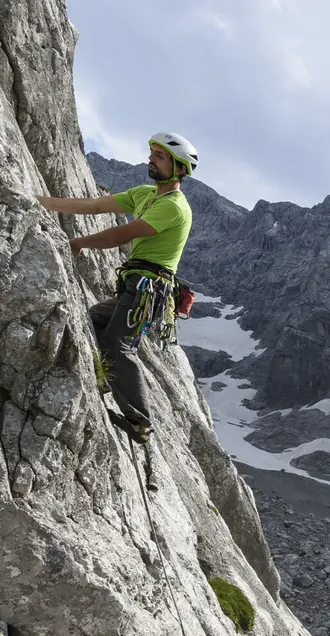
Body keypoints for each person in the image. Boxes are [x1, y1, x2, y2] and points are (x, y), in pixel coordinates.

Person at [36, 132, 199, 443]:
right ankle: (105, 379)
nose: (151, 159)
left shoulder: (175, 207)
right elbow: (95, 205)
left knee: (117, 342)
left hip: (149, 289)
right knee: (94, 321)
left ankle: (141, 421)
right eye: (152, 153)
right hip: (136, 285)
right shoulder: (142, 194)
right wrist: (47, 202)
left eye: (160, 156)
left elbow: (123, 235)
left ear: (179, 169)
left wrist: (80, 242)